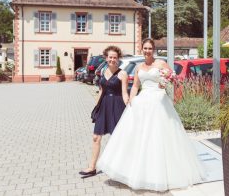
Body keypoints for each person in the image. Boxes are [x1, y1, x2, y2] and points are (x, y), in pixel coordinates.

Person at [97, 38, 206, 191]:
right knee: (139, 137)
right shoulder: (139, 67)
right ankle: (136, 172)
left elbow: (173, 79)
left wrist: (166, 81)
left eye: (149, 48)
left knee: (158, 137)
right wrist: (131, 100)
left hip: (158, 101)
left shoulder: (160, 63)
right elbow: (135, 85)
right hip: (142, 102)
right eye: (145, 48)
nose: (147, 51)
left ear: (153, 49)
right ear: (142, 49)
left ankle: (159, 175)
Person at [79, 46, 129, 176]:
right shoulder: (103, 71)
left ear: (118, 59)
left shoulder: (122, 74)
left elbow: (124, 93)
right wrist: (96, 107)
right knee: (96, 137)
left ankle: (120, 167)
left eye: (115, 57)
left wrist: (129, 108)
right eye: (110, 57)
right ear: (106, 58)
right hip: (104, 105)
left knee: (116, 138)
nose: (112, 59)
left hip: (117, 106)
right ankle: (92, 167)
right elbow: (101, 90)